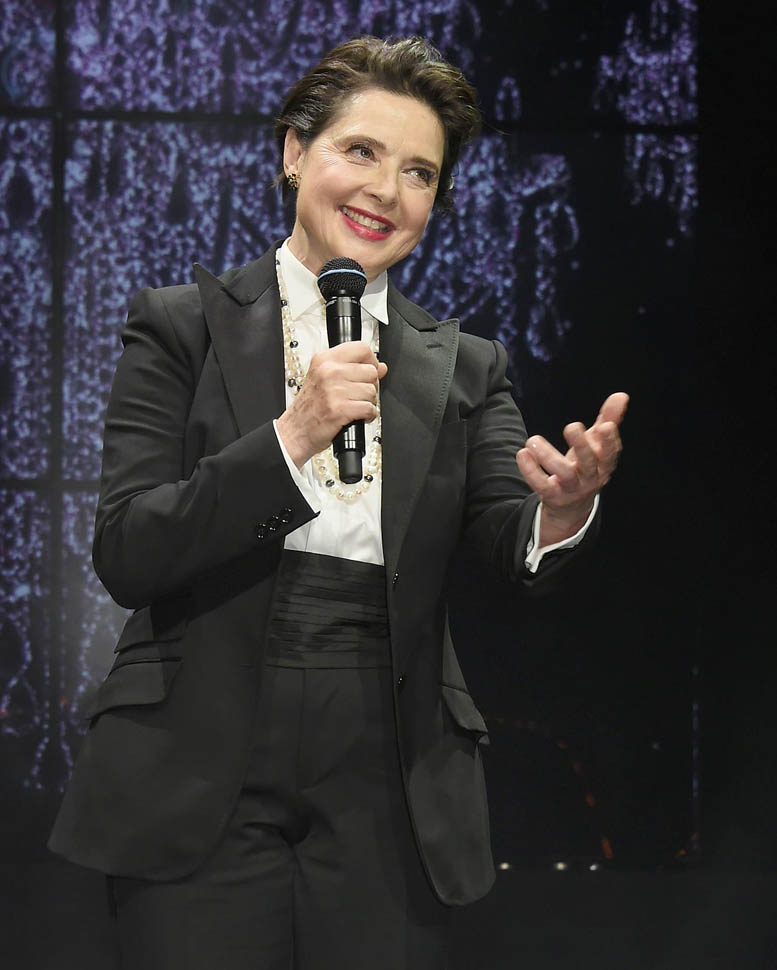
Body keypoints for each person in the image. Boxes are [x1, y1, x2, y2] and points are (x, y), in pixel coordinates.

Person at [49, 35, 627, 970]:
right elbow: (128, 549)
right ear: (293, 152)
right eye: (360, 151)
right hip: (200, 739)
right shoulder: (181, 326)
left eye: (418, 173)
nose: (385, 191)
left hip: (390, 751)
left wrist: (559, 515)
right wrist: (292, 436)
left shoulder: (466, 366)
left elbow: (502, 534)